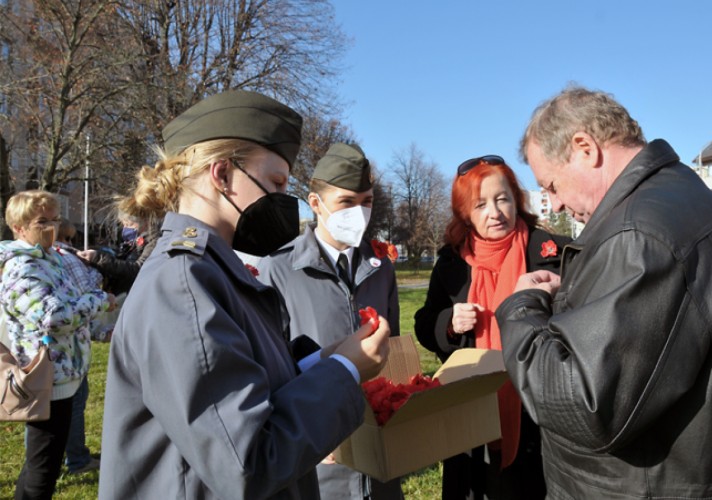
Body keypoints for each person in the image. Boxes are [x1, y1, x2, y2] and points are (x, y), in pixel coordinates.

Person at [496, 86, 712, 499]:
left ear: (585, 147)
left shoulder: (640, 233)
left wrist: (520, 308)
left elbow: (585, 407)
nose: (555, 205)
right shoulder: (668, 200)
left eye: (552, 185)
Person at [98, 90, 391, 500]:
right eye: (274, 182)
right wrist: (345, 369)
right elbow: (249, 461)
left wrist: (321, 361)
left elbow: (247, 385)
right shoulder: (183, 284)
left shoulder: (210, 271)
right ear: (221, 175)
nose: (282, 200)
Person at [414, 156, 569, 499]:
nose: (495, 212)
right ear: (465, 213)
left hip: (538, 415)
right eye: (480, 204)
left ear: (516, 200)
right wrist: (449, 324)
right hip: (471, 411)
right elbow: (424, 325)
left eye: (502, 199)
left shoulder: (551, 253)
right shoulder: (451, 261)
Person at [257, 142, 402, 500]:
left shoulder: (380, 267)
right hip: (318, 461)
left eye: (366, 202)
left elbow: (393, 351)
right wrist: (311, 428)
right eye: (346, 202)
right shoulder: (277, 269)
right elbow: (270, 372)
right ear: (316, 203)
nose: (359, 213)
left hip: (380, 455)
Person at [0, 190, 113, 499]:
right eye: (41, 221)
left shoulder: (50, 257)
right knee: (43, 468)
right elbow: (55, 317)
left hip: (62, 374)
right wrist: (100, 300)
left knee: (42, 461)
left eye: (55, 219)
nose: (51, 227)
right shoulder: (23, 267)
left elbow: (71, 302)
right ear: (20, 227)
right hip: (46, 377)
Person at [54, 221, 110, 475]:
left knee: (43, 412)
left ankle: (51, 459)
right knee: (74, 404)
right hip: (70, 349)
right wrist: (100, 272)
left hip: (42, 350)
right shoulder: (69, 259)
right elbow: (86, 295)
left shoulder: (38, 259)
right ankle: (76, 458)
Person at [77, 210, 157, 295]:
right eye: (124, 225)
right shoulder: (133, 241)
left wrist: (98, 258)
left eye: (129, 224)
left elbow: (137, 269)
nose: (126, 228)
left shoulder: (153, 241)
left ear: (145, 222)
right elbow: (121, 263)